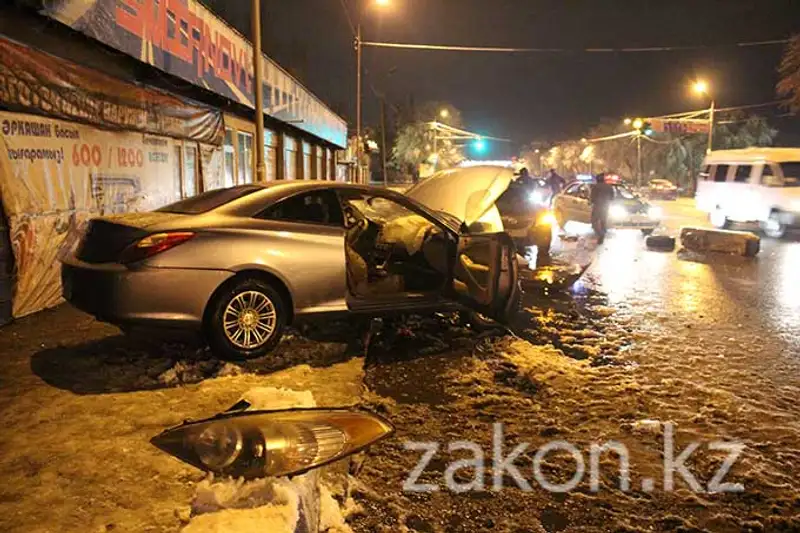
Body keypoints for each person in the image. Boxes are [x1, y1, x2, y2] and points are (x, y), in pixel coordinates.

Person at [590, 173, 615, 244]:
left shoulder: (595, 187)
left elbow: (592, 197)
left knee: (594, 221)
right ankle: (602, 234)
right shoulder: (609, 187)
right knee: (603, 222)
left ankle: (600, 234)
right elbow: (612, 197)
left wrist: (591, 202)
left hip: (597, 206)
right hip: (606, 207)